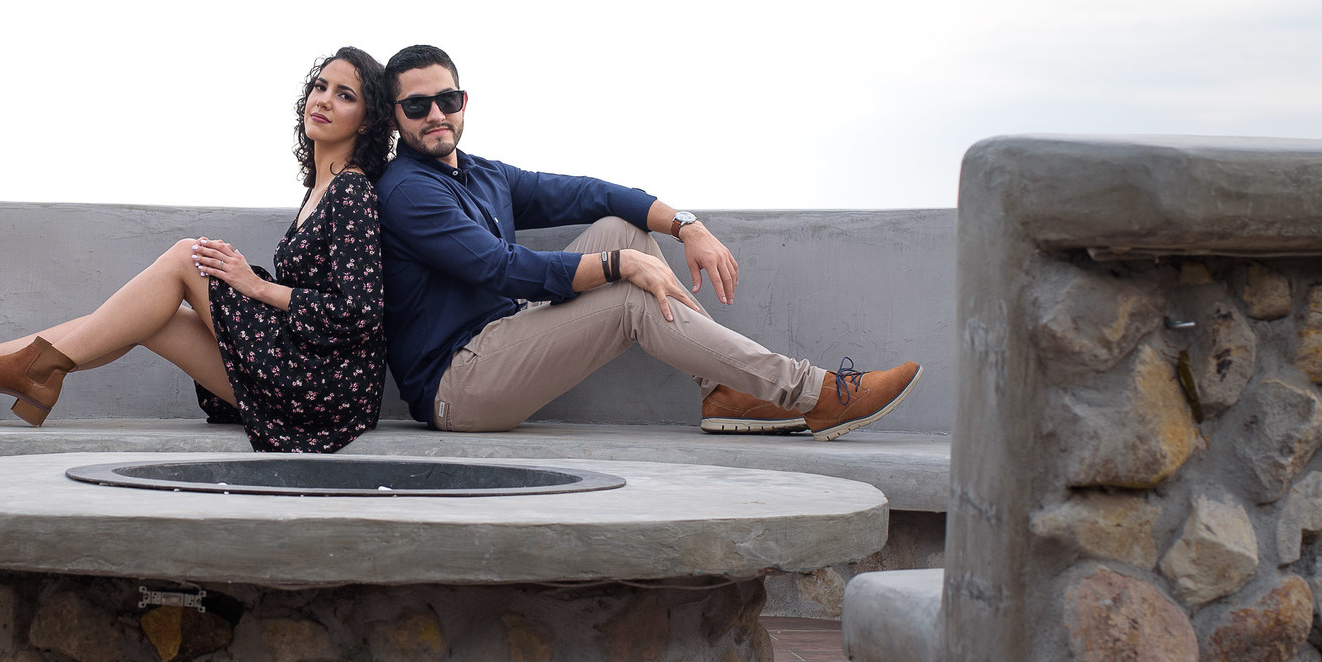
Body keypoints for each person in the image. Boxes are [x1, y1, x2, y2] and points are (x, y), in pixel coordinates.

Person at [373, 43, 919, 439]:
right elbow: (500, 267)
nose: (436, 115)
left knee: (625, 228)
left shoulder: (482, 173)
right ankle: (812, 393)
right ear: (396, 119)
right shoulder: (407, 191)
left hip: (503, 335)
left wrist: (686, 225)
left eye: (447, 99)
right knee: (629, 293)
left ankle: (723, 393)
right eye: (417, 106)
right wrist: (619, 266)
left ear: (464, 100)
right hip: (458, 384)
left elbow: (591, 194)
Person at [0, 47, 394, 453]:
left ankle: (11, 372)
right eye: (320, 86)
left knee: (188, 255)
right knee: (150, 317)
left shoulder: (351, 191)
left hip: (324, 391)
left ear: (368, 120)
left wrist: (256, 286)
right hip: (300, 377)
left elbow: (360, 311)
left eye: (344, 95)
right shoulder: (320, 187)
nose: (323, 100)